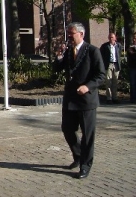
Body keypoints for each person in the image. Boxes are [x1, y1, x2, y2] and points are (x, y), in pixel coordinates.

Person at [53, 22, 105, 179]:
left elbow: (101, 75)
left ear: (81, 34)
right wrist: (59, 55)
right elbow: (56, 68)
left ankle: (85, 165)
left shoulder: (92, 51)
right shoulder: (68, 51)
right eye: (68, 34)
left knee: (87, 135)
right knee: (67, 129)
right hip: (70, 98)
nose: (69, 37)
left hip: (86, 100)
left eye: (72, 34)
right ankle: (78, 155)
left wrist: (88, 87)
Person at [100, 32, 123, 103]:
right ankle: (109, 98)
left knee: (115, 82)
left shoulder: (118, 45)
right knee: (108, 81)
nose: (111, 39)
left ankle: (115, 98)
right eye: (110, 37)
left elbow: (119, 54)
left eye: (112, 37)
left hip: (116, 64)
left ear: (115, 38)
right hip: (108, 64)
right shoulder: (104, 46)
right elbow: (101, 55)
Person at [126, 33, 136, 103]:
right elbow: (132, 55)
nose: (134, 39)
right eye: (134, 38)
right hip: (133, 67)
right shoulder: (130, 47)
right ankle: (133, 99)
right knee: (133, 84)